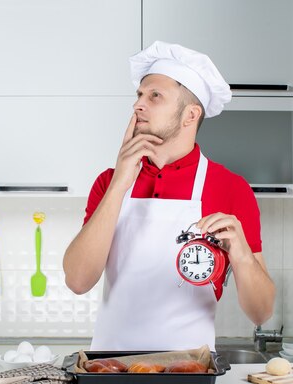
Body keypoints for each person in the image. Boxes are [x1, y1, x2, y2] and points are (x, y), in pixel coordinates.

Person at [63, 41, 275, 351]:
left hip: (190, 371)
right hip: (111, 368)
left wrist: (241, 254)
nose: (138, 105)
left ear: (190, 115)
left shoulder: (230, 188)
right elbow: (78, 281)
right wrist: (121, 183)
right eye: (139, 95)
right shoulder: (109, 182)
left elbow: (261, 312)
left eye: (155, 96)